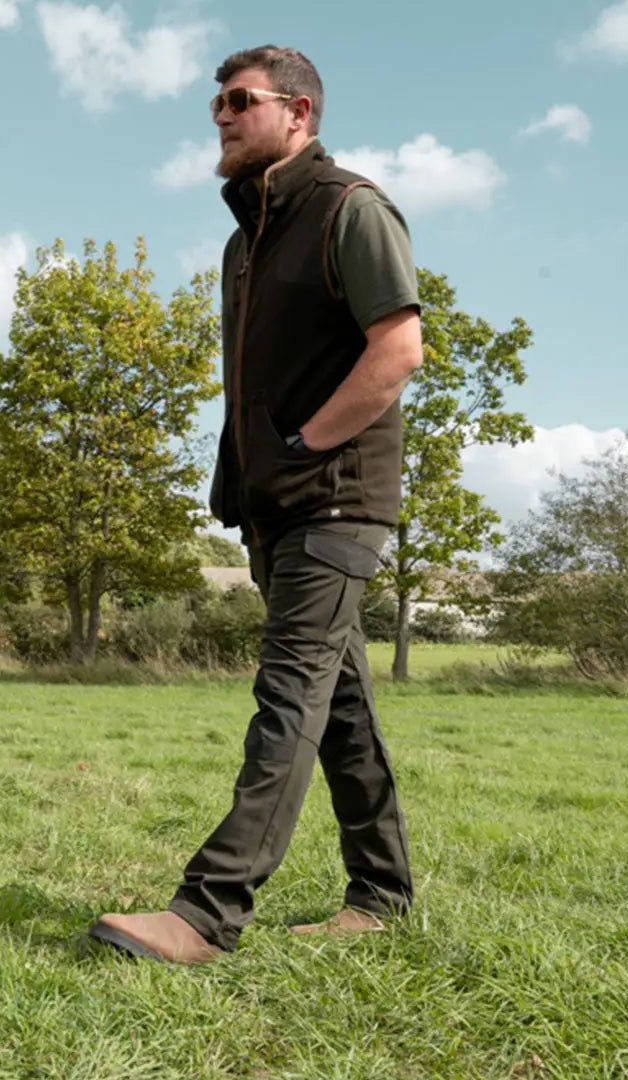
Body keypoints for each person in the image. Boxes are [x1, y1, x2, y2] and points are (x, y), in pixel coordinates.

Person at [90, 45, 422, 964]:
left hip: (336, 501)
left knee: (288, 697)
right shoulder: (246, 241)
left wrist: (307, 443)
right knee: (340, 706)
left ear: (300, 112)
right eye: (216, 105)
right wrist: (250, 478)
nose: (222, 116)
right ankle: (383, 895)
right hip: (275, 507)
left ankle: (206, 913)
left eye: (240, 101)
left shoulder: (349, 209)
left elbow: (397, 351)